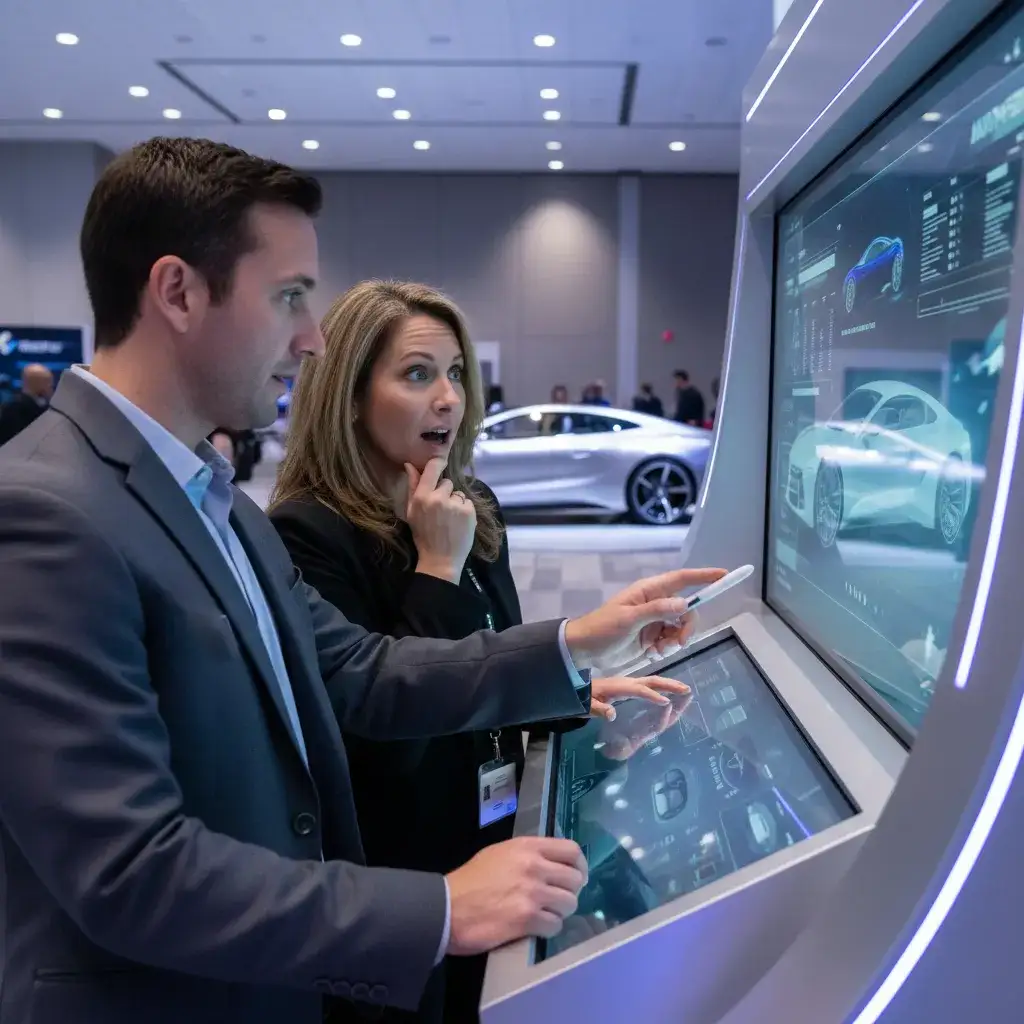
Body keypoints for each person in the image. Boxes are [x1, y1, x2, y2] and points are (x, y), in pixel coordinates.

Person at [0, 136, 724, 1024]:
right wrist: (443, 907)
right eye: (290, 296)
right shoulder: (46, 513)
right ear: (178, 291)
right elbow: (129, 870)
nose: (311, 339)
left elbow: (358, 671)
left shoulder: (207, 496)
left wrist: (576, 644)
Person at [271, 280, 560, 1021]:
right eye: (416, 374)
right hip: (403, 885)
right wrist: (435, 568)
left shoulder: (472, 506)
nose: (448, 398)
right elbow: (379, 740)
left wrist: (578, 697)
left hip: (498, 839)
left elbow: (490, 666)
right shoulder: (309, 534)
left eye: (457, 373)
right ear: (349, 394)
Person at [0, 363, 54, 445]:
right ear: (37, 383)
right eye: (47, 381)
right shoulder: (14, 408)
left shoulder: (45, 405)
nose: (51, 385)